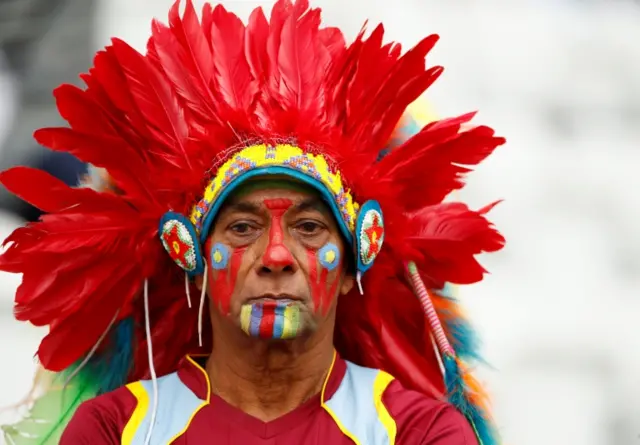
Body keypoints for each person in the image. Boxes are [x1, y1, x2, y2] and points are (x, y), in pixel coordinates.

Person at [0, 0, 506, 444]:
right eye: (242, 228)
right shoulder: (115, 430)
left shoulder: (421, 434)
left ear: (355, 262)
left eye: (310, 228)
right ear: (192, 260)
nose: (277, 256)